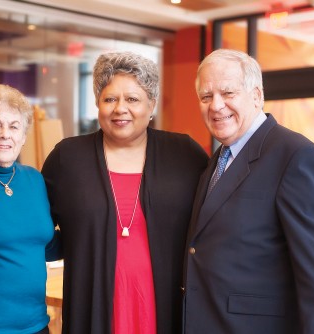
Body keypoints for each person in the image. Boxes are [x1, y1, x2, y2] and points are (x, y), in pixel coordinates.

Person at [41, 51, 209, 333]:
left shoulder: (185, 155)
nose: (120, 108)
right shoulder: (67, 157)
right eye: (110, 99)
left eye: (132, 99)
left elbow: (213, 226)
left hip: (169, 310)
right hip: (90, 308)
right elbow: (37, 226)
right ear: (97, 103)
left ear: (152, 104)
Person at [183, 48, 314, 334]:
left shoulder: (295, 155)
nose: (216, 106)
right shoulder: (218, 159)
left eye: (228, 93)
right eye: (206, 97)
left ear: (257, 95)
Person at [0, 84, 60, 333]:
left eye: (14, 126)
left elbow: (44, 246)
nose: (6, 134)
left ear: (24, 136)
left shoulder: (35, 180)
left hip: (37, 324)